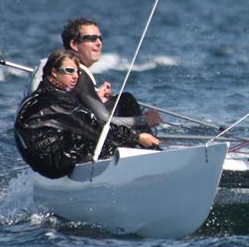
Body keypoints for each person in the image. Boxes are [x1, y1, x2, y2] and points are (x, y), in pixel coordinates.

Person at [15, 49, 160, 179]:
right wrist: (137, 137)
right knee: (111, 137)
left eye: (77, 71)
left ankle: (150, 153)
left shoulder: (43, 95)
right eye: (70, 71)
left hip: (46, 161)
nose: (75, 76)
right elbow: (96, 128)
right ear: (54, 72)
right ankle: (155, 161)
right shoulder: (55, 100)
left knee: (105, 131)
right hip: (56, 164)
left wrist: (96, 97)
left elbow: (74, 118)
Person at [28, 17, 161, 132]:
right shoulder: (78, 72)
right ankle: (151, 150)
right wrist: (144, 120)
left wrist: (93, 97)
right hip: (63, 144)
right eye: (91, 38)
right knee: (125, 101)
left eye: (100, 38)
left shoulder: (48, 65)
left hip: (35, 144)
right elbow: (104, 120)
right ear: (74, 44)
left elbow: (65, 103)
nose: (99, 43)